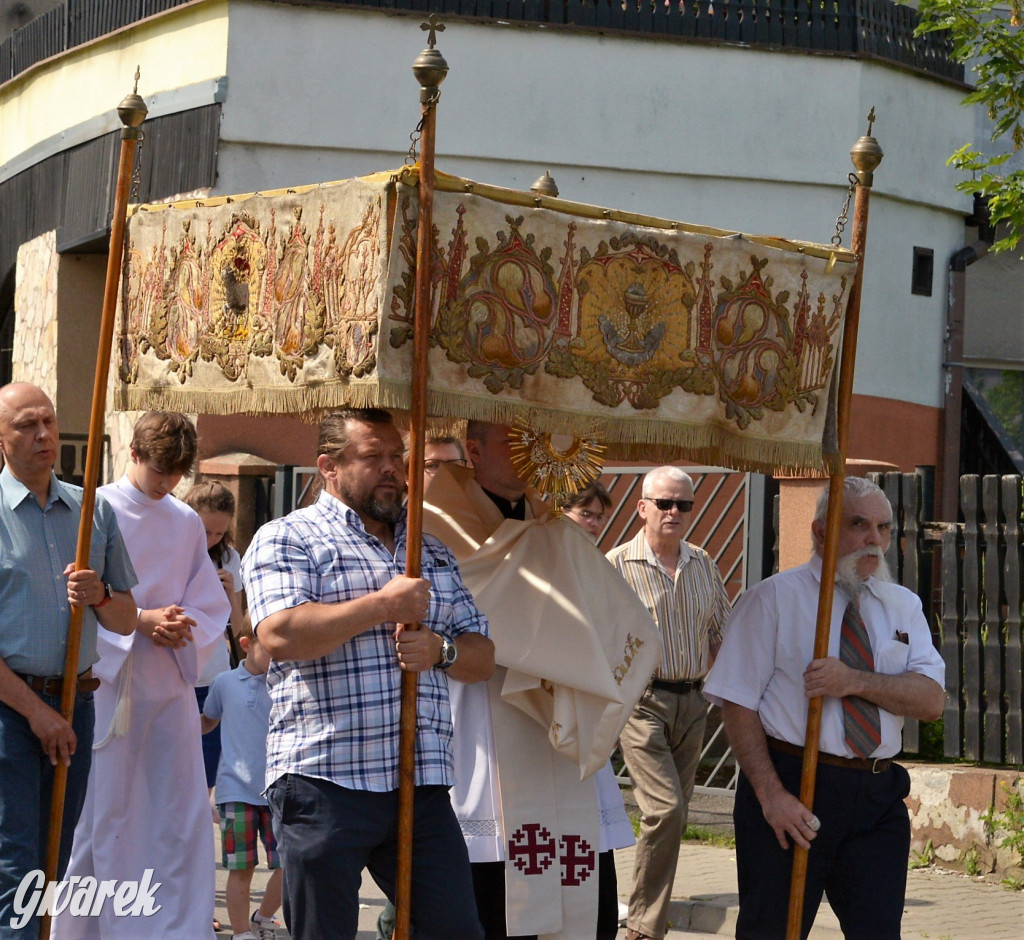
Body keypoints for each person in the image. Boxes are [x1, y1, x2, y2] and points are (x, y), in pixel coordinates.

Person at [242, 407, 494, 940]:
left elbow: (483, 654)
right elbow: (281, 635)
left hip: (417, 782)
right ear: (328, 467)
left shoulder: (429, 547)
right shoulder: (289, 538)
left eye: (396, 457)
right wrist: (381, 606)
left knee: (456, 930)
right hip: (323, 781)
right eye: (372, 457)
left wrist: (440, 649)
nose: (390, 469)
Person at [423, 421, 660, 939]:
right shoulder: (428, 525)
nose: (533, 449)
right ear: (474, 450)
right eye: (515, 439)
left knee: (581, 891)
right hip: (475, 720)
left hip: (555, 716)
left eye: (536, 436)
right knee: (486, 905)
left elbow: (604, 618)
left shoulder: (555, 528)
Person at [703, 476, 946, 939]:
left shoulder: (902, 605)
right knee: (774, 930)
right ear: (820, 531)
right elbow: (736, 703)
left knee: (878, 932)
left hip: (877, 795)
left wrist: (852, 680)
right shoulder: (772, 599)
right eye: (858, 524)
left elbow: (931, 700)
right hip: (795, 785)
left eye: (883, 527)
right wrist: (772, 798)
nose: (873, 538)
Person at [54, 412, 230, 939]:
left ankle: (174, 927)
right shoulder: (95, 509)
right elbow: (72, 596)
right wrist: (139, 623)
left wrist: (184, 625)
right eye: (160, 472)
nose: (168, 484)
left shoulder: (185, 521)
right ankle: (86, 928)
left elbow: (208, 599)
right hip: (111, 687)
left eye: (177, 474)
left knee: (177, 814)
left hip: (170, 689)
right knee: (104, 812)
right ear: (133, 454)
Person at [0, 383, 138, 939]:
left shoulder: (91, 511)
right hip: (12, 711)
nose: (44, 435)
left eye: (50, 423)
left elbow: (127, 619)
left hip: (75, 706)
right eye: (27, 425)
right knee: (17, 866)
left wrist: (100, 595)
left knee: (51, 868)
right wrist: (37, 713)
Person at [606, 466, 731, 940]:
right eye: (665, 503)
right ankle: (643, 926)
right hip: (643, 702)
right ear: (642, 508)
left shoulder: (702, 562)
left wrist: (727, 691)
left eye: (684, 505)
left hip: (693, 701)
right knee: (666, 810)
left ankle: (645, 914)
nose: (674, 512)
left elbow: (723, 632)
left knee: (673, 818)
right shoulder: (617, 565)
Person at [202, 616, 282, 940]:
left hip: (277, 789)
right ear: (247, 644)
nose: (279, 655)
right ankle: (240, 932)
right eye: (271, 648)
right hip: (235, 790)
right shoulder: (223, 682)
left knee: (289, 864)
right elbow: (206, 721)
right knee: (240, 868)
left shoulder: (284, 681)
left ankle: (262, 917)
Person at [184, 481, 246, 815]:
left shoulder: (229, 558)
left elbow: (237, 630)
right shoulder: (173, 550)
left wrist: (228, 593)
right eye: (205, 531)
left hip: (213, 677)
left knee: (207, 775)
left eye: (219, 534)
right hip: (175, 676)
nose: (210, 541)